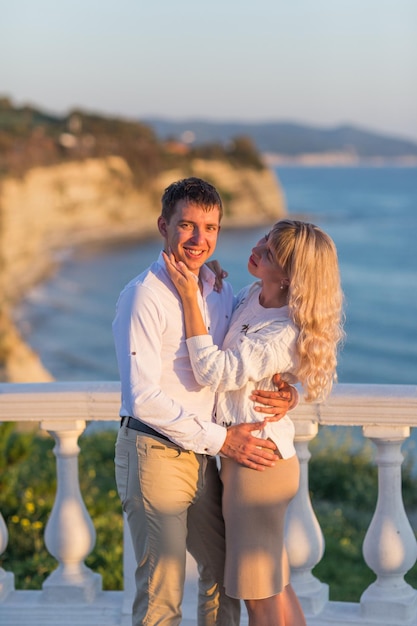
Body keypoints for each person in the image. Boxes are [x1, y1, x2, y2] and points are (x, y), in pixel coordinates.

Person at [112, 177, 298, 626]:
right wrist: (223, 441)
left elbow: (252, 348)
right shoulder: (144, 296)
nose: (199, 240)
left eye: (210, 228)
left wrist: (294, 390)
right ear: (163, 225)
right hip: (156, 451)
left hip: (203, 454)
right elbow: (143, 398)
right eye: (187, 226)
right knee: (163, 591)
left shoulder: (217, 291)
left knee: (221, 575)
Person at [164, 219, 345, 626]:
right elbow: (233, 331)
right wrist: (210, 279)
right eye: (264, 239)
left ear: (288, 275)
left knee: (257, 593)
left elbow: (215, 371)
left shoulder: (282, 330)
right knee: (273, 584)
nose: (257, 248)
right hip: (252, 463)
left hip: (257, 469)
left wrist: (190, 300)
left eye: (270, 252)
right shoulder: (252, 297)